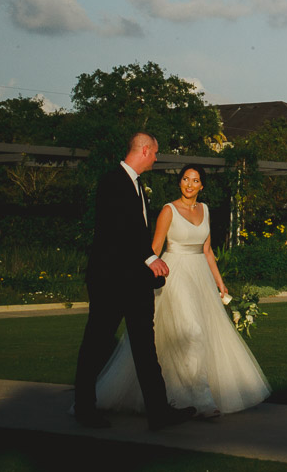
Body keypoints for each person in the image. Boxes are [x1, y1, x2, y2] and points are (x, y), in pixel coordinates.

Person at [95, 164, 271, 417]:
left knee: (198, 335)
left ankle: (173, 395)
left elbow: (207, 250)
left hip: (200, 276)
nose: (190, 184)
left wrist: (220, 282)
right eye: (186, 179)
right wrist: (139, 275)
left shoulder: (206, 210)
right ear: (180, 183)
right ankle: (202, 401)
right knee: (192, 332)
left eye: (195, 180)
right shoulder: (169, 210)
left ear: (202, 185)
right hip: (174, 274)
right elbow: (154, 247)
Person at [73, 133, 195, 430]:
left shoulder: (137, 185)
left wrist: (146, 262)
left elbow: (136, 229)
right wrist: (151, 258)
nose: (156, 158)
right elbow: (119, 229)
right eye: (155, 153)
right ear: (144, 150)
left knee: (145, 347)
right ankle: (85, 409)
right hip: (110, 281)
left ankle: (159, 413)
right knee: (96, 343)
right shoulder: (113, 182)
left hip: (134, 282)